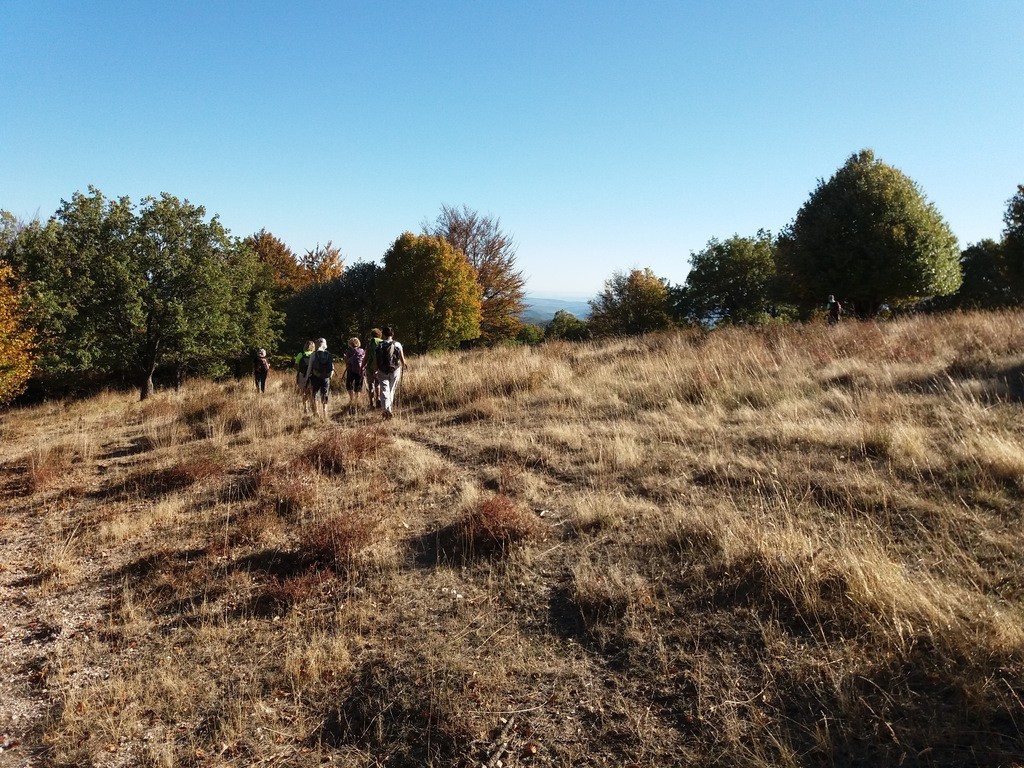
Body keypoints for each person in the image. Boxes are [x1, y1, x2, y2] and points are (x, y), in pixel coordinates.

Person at [376, 326, 408, 420]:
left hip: (382, 370)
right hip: (395, 369)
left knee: (384, 389)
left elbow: (376, 359)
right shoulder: (397, 344)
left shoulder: (379, 345)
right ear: (392, 334)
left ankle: (386, 409)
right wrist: (404, 364)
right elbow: (402, 358)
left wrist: (375, 369)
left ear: (383, 334)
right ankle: (389, 409)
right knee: (391, 389)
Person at [305, 337, 335, 420]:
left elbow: (310, 367)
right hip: (326, 378)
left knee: (315, 394)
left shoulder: (314, 354)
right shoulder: (329, 354)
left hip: (316, 377)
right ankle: (325, 412)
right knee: (325, 394)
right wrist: (330, 376)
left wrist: (307, 378)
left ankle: (317, 413)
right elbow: (332, 368)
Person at [343, 337, 366, 415]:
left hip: (351, 371)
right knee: (358, 386)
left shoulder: (349, 352)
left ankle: (351, 399)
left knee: (349, 385)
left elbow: (346, 361)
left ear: (350, 344)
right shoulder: (362, 351)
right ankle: (357, 400)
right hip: (360, 371)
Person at [364, 328, 383, 409]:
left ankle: (371, 403)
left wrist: (362, 366)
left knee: (370, 385)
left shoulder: (370, 342)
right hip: (379, 367)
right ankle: (378, 399)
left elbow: (366, 356)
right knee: (377, 384)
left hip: (370, 367)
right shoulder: (382, 342)